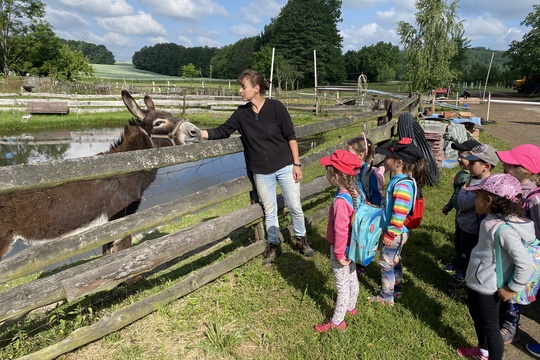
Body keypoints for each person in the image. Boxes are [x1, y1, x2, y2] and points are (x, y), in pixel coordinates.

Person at [200, 69, 314, 266]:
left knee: (295, 205)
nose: (240, 91)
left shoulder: (276, 107)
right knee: (269, 210)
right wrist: (196, 132)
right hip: (261, 172)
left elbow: (291, 136)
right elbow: (221, 131)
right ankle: (273, 245)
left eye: (243, 87)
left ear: (256, 88)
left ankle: (301, 240)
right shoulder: (241, 114)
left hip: (285, 166)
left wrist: (296, 164)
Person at [456, 174, 534, 360]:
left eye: (478, 196)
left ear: (489, 200)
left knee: (491, 329)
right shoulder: (491, 219)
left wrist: (511, 288)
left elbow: (525, 264)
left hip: (489, 287)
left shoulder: (504, 231)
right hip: (478, 281)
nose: (475, 199)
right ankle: (483, 351)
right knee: (477, 316)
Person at [368, 137, 426, 305]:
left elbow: (399, 212)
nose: (385, 160)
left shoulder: (402, 185)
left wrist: (390, 233)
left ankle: (386, 297)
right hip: (399, 233)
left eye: (388, 157)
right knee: (394, 260)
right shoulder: (405, 181)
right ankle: (397, 289)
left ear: (399, 162)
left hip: (395, 232)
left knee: (386, 264)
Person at [495, 144, 540, 345]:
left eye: (511, 165)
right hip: (509, 249)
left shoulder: (534, 199)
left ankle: (511, 326)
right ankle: (503, 315)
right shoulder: (513, 189)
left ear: (527, 171)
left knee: (516, 290)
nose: (505, 165)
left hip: (526, 253)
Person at [314, 149, 362, 332]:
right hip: (354, 246)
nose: (326, 174)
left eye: (328, 170)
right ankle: (351, 307)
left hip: (342, 249)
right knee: (351, 276)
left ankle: (337, 321)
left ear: (335, 175)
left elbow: (340, 231)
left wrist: (339, 254)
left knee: (342, 285)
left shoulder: (341, 202)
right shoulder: (355, 193)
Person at [454, 144, 499, 282]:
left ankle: (466, 278)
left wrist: (463, 190)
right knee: (462, 249)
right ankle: (463, 271)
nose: (469, 165)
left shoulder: (482, 186)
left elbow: (463, 203)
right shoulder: (475, 179)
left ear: (486, 166)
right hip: (465, 224)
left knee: (469, 254)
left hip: (472, 229)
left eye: (473, 163)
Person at [442, 140, 482, 274]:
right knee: (457, 240)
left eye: (462, 156)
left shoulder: (475, 179)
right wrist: (450, 205)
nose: (459, 159)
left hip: (470, 219)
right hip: (460, 216)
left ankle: (463, 269)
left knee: (467, 244)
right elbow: (456, 193)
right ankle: (456, 261)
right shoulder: (460, 175)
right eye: (458, 155)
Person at [347, 134, 383, 278]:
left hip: (363, 213)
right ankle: (350, 256)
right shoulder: (349, 169)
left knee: (360, 237)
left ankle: (360, 263)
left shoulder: (368, 173)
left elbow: (375, 194)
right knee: (351, 235)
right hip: (351, 209)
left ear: (361, 155)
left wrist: (372, 211)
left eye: (350, 153)